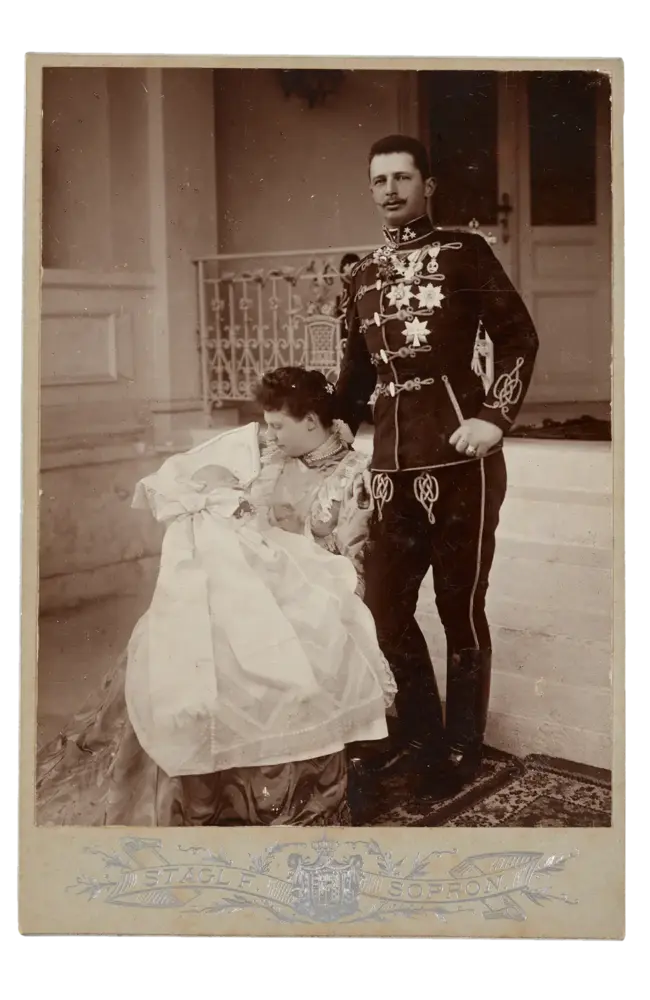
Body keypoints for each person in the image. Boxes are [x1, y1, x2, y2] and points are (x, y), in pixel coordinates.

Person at [36, 368, 396, 828]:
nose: (269, 435)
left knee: (256, 657)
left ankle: (251, 795)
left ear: (311, 420)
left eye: (278, 425)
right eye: (266, 425)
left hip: (313, 588)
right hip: (249, 583)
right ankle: (179, 789)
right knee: (175, 639)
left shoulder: (354, 475)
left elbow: (355, 563)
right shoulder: (262, 460)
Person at [333, 134, 539, 799]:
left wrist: (495, 417)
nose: (389, 190)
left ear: (428, 185)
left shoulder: (463, 253)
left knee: (459, 606)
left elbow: (517, 338)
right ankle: (422, 733)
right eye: (378, 180)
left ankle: (462, 747)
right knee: (384, 610)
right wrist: (322, 425)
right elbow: (354, 380)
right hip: (390, 469)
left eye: (401, 177)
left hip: (462, 462)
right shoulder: (361, 275)